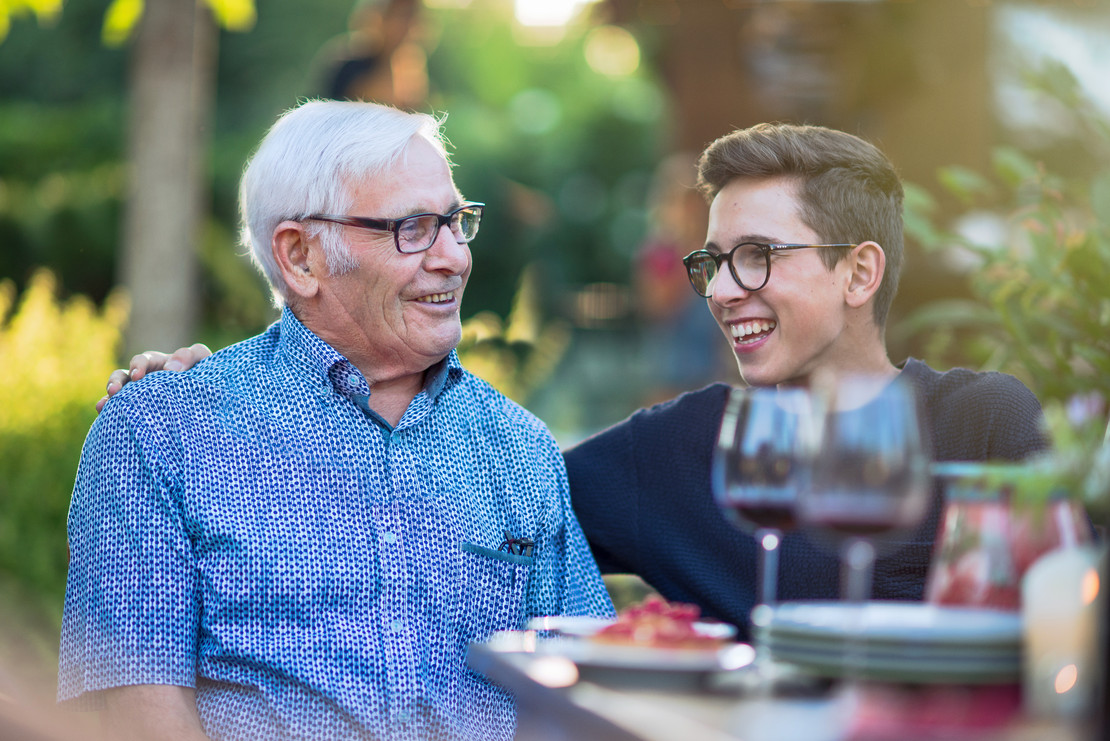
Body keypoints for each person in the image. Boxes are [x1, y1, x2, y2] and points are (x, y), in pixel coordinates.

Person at [100, 123, 1047, 641]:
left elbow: (1066, 637)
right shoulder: (679, 448)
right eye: (711, 262)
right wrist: (220, 397)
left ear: (860, 271)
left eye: (757, 256)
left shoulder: (985, 424)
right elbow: (446, 499)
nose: (723, 291)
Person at [62, 100, 612, 741]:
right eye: (412, 227)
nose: (454, 258)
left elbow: (588, 694)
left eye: (456, 222)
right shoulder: (158, 435)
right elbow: (136, 717)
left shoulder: (519, 448)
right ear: (299, 257)